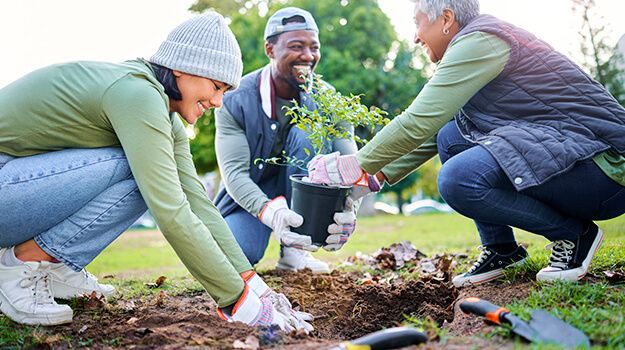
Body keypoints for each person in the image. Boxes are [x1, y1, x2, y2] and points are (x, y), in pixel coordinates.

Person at [0, 12, 311, 332]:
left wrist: (255, 286)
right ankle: (20, 265)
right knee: (143, 169)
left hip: (17, 188)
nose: (219, 102)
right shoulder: (138, 95)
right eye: (216, 86)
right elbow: (172, 210)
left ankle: (55, 265)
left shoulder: (163, 112)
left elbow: (197, 202)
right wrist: (238, 301)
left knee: (151, 168)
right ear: (182, 67)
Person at [306, 0, 625, 287]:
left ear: (446, 18)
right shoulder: (472, 52)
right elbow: (436, 131)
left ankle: (575, 234)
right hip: (575, 155)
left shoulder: (481, 40)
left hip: (607, 166)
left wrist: (353, 165)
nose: (415, 37)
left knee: (459, 180)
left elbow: (420, 120)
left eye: (417, 23)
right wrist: (368, 181)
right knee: (451, 137)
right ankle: (502, 250)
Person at [213, 7, 358, 273]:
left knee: (307, 131)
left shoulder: (330, 100)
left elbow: (350, 162)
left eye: (314, 47)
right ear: (270, 49)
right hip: (252, 195)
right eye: (296, 46)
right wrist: (272, 212)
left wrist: (350, 205)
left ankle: (295, 252)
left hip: (306, 192)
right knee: (236, 255)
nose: (308, 55)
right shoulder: (235, 98)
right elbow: (234, 174)